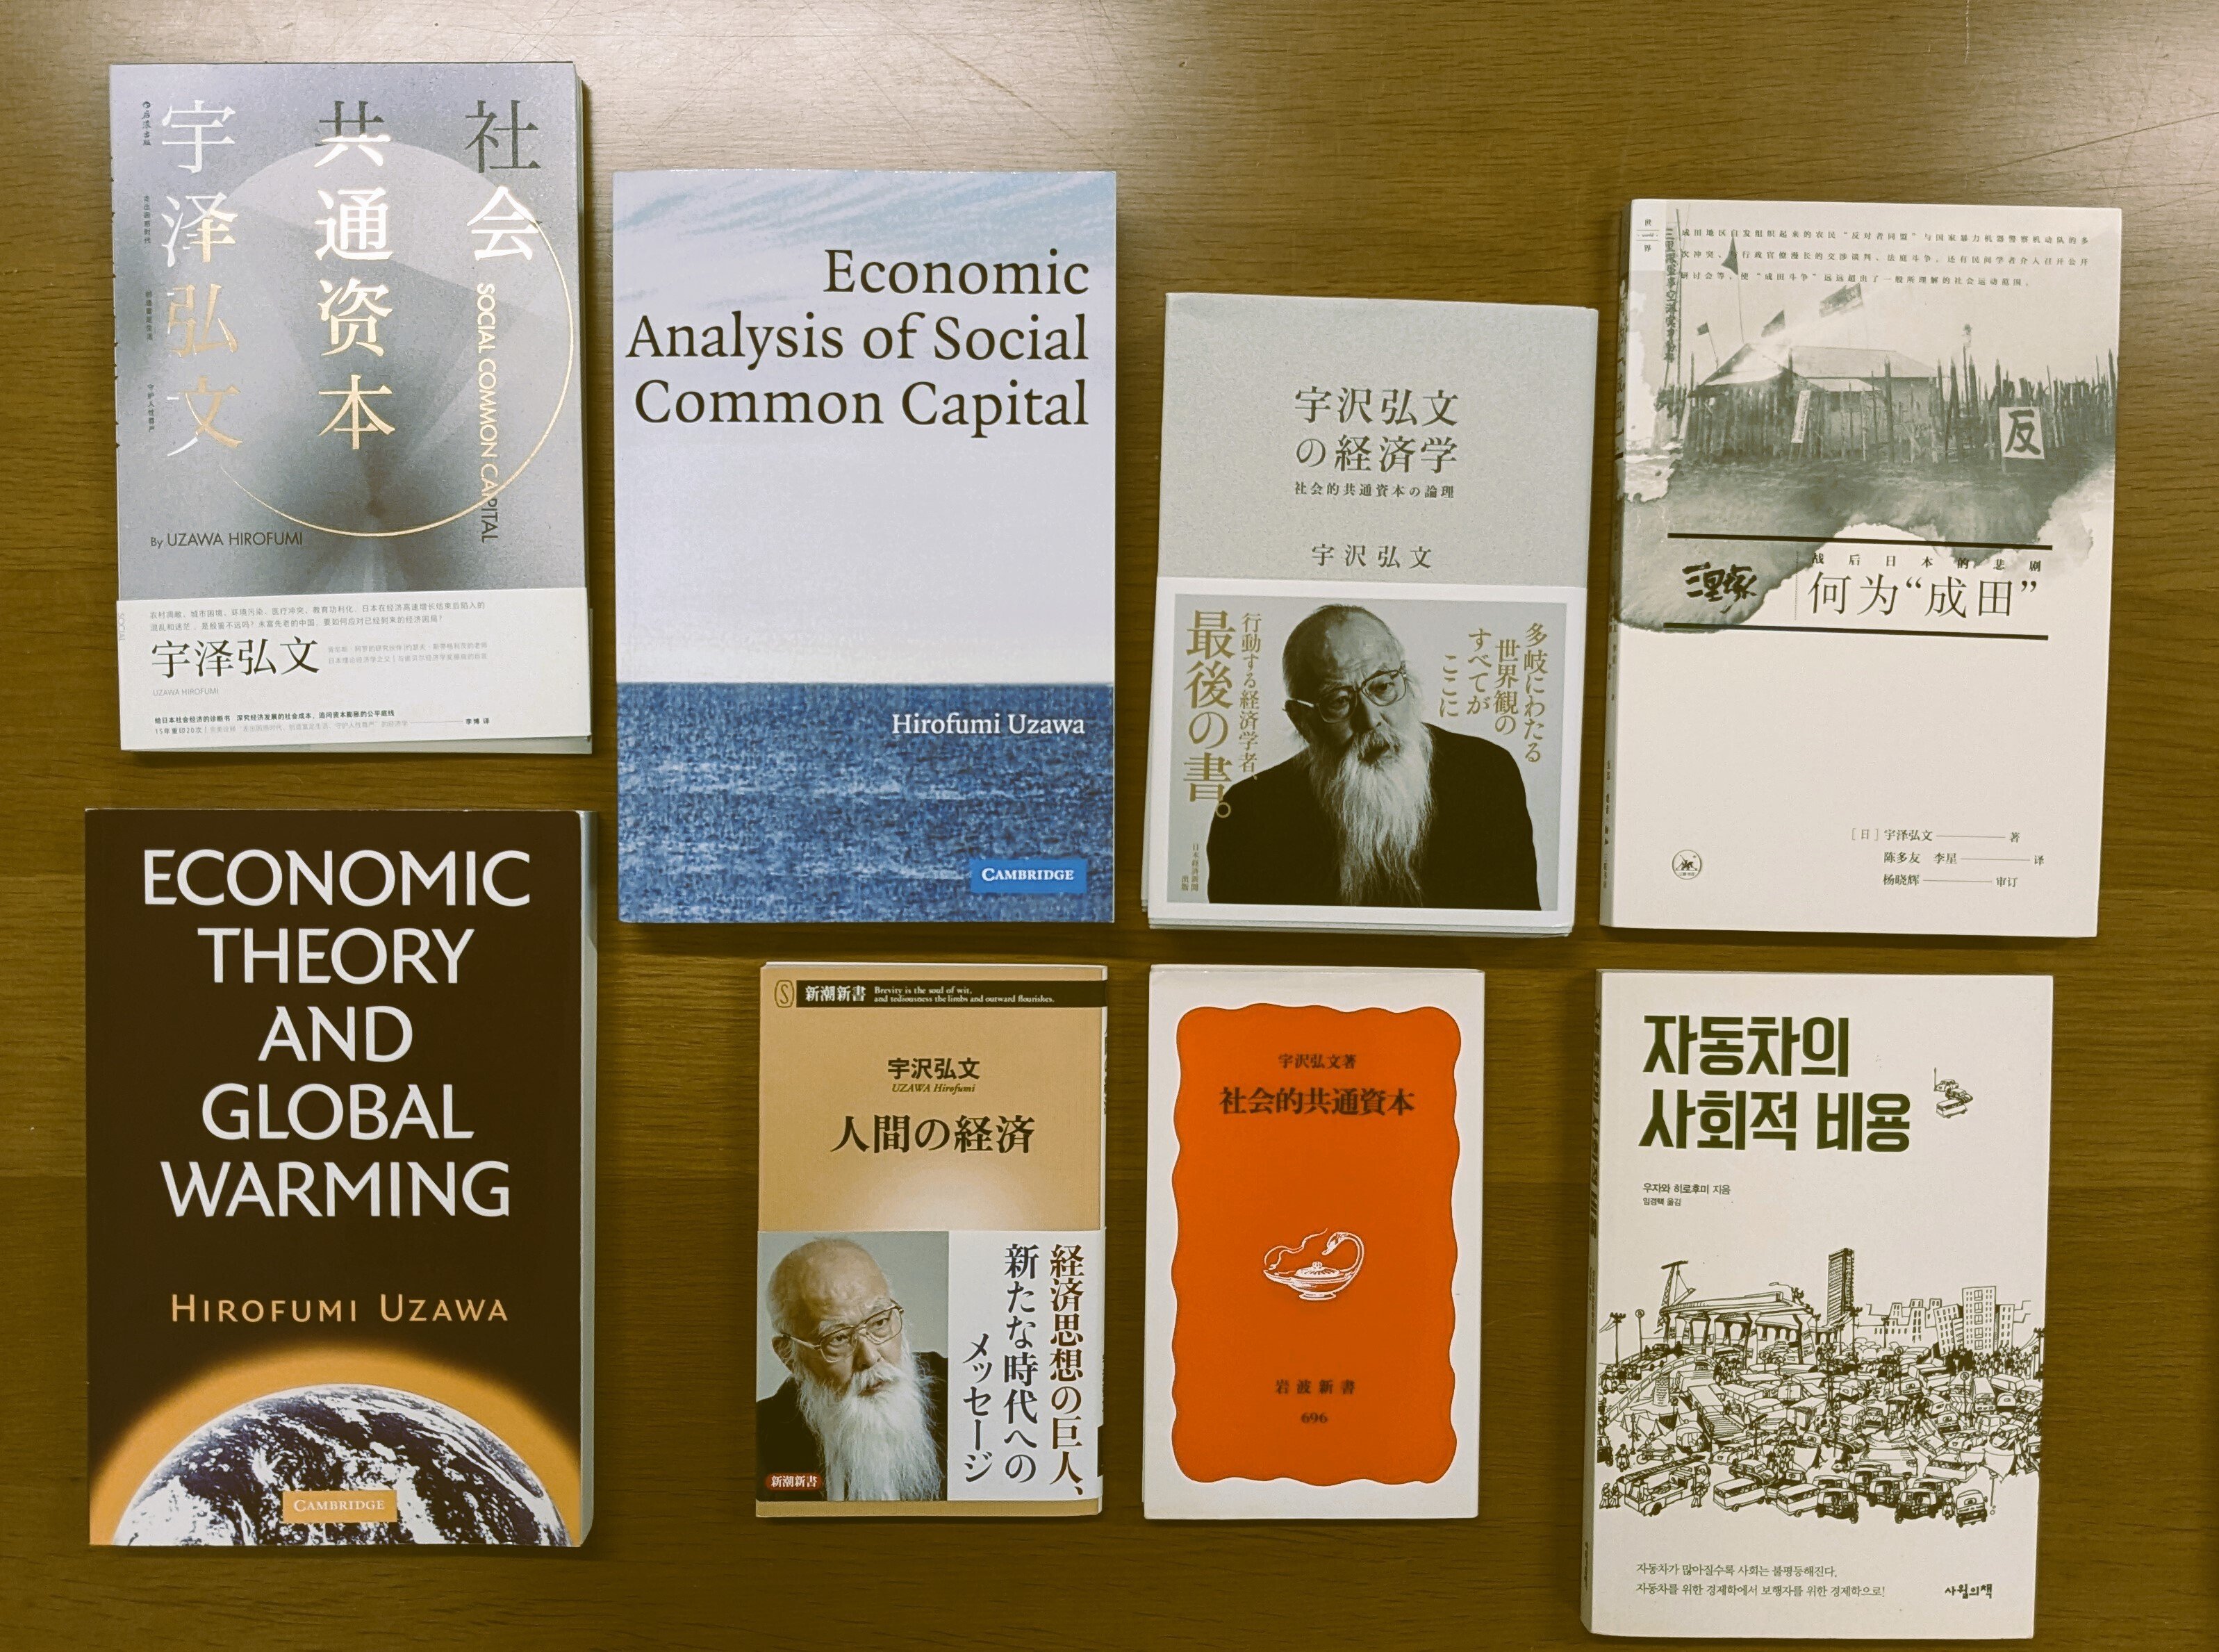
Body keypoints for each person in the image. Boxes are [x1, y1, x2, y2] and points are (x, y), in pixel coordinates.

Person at [1206, 604, 1540, 909]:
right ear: (1302, 721)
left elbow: (1515, 935)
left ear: (1404, 680)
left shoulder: (1486, 774)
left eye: (1382, 687)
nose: (1370, 720)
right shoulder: (1249, 816)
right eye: (1339, 700)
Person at [757, 1237, 947, 1502]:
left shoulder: (960, 1392)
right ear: (789, 1356)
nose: (869, 1357)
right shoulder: (760, 1441)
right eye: (838, 1338)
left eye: (879, 1322)